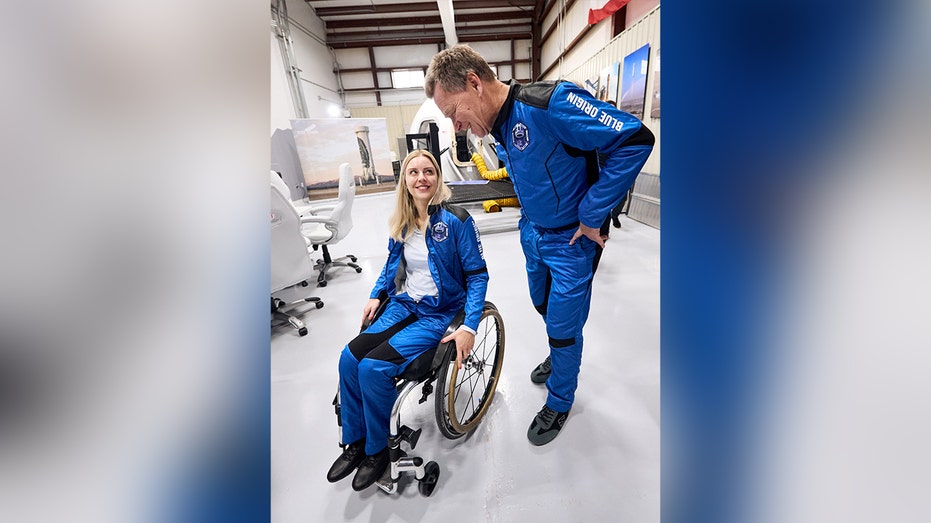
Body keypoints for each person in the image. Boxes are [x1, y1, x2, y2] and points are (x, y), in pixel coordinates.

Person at [425, 44, 654, 446]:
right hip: (534, 233)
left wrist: (592, 212)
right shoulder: (498, 128)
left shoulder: (552, 104)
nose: (456, 126)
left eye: (453, 113)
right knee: (542, 303)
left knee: (564, 326)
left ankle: (561, 399)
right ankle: (558, 354)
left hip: (572, 239)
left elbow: (635, 139)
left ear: (473, 83)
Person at [327, 149, 489, 490]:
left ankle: (378, 451)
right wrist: (376, 294)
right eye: (413, 172)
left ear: (437, 177)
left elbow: (477, 276)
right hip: (404, 304)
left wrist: (469, 325)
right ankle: (355, 442)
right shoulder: (401, 221)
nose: (421, 178)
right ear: (405, 181)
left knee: (373, 368)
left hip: (441, 312)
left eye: (428, 171)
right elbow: (390, 267)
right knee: (348, 358)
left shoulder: (457, 221)